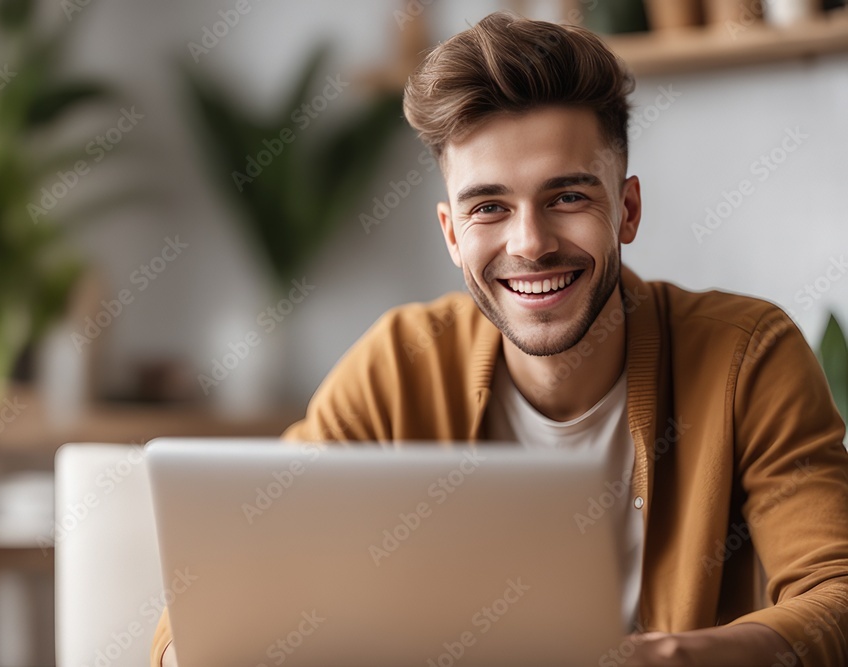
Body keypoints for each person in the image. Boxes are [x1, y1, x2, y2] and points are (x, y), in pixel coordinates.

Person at [152, 12, 848, 667]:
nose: (530, 244)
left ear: (627, 209)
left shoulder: (747, 357)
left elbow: (837, 594)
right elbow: (204, 613)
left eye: (567, 197)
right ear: (452, 235)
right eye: (489, 206)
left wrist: (679, 656)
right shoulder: (397, 365)